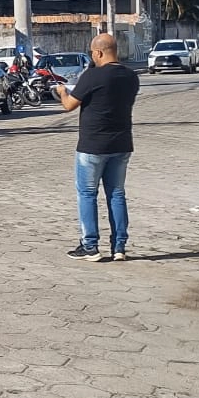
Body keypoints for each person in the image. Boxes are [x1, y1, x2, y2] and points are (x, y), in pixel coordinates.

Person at [57, 33, 139, 262]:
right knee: (117, 194)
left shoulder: (93, 75)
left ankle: (90, 246)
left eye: (93, 53)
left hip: (92, 146)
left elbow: (69, 105)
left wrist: (62, 92)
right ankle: (119, 246)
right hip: (122, 143)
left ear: (98, 52)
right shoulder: (131, 76)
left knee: (87, 194)